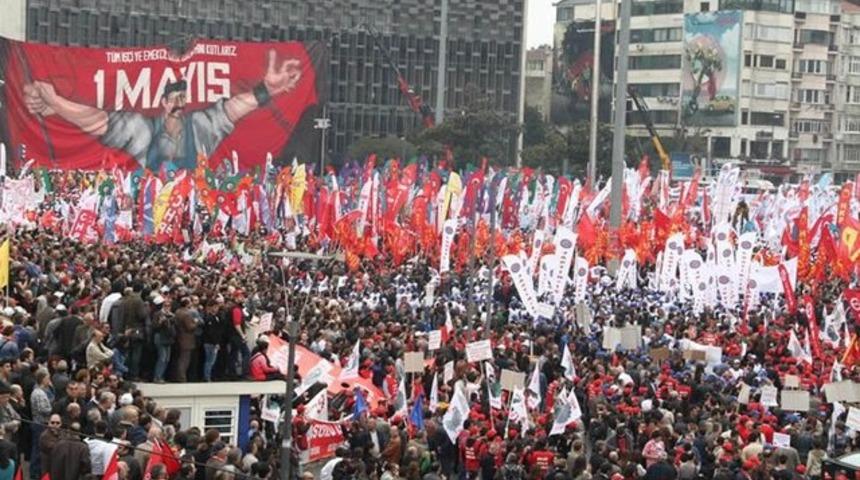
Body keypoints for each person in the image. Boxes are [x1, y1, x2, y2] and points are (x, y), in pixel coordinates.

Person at [23, 50, 303, 170]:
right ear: (163, 103)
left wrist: (267, 89)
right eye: (174, 98)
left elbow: (232, 108)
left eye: (183, 97)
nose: (179, 103)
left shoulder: (201, 127)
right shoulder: (142, 130)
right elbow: (99, 121)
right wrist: (58, 104)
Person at [173, 297, 198, 383]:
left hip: (179, 337)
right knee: (184, 359)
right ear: (187, 304)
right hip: (186, 339)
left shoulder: (177, 312)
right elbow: (190, 327)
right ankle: (182, 377)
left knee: (180, 358)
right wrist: (196, 322)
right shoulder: (186, 314)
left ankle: (178, 376)